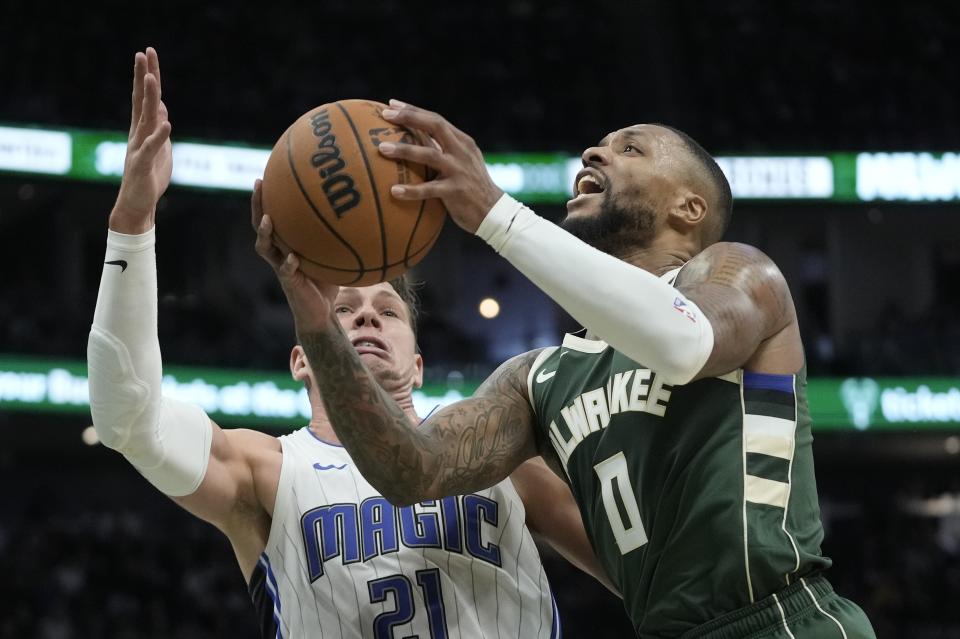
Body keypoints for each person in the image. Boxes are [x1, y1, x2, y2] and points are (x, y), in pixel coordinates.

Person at [258, 99, 878, 638]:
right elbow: (409, 472)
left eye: (629, 148)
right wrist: (316, 325)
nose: (595, 151)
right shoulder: (540, 379)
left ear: (690, 209)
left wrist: (497, 215)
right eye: (600, 145)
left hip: (782, 620)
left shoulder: (740, 275)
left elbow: (683, 344)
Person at [86, 48, 614, 639]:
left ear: (417, 363)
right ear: (301, 360)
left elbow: (644, 578)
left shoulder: (499, 455)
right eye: (343, 310)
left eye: (387, 309)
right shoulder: (266, 470)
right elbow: (126, 418)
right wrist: (131, 224)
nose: (365, 317)